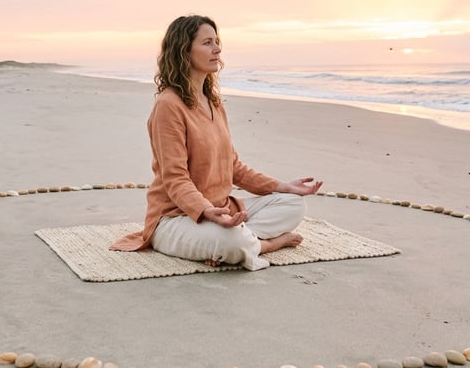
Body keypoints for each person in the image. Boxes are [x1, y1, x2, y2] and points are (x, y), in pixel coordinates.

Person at [109, 14, 323, 271]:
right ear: (184, 51)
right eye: (207, 43)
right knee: (231, 241)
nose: (217, 49)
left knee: (293, 204)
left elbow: (234, 167)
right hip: (176, 218)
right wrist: (207, 211)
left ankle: (239, 241)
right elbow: (175, 178)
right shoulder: (168, 105)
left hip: (224, 210)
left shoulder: (214, 103)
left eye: (217, 42)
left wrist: (282, 186)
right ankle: (264, 245)